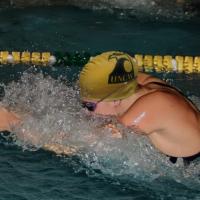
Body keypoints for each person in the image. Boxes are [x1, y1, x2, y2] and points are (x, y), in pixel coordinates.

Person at [0, 51, 200, 164]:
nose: (85, 110)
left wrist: (13, 123)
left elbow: (76, 147)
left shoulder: (144, 112)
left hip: (192, 166)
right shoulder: (140, 81)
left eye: (89, 106)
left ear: (115, 100)